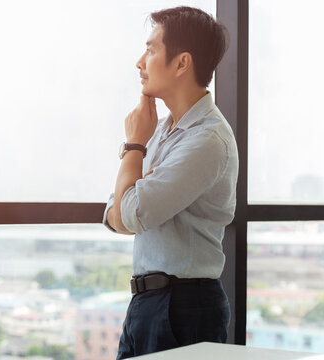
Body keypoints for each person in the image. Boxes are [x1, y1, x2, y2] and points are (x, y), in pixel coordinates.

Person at [103, 6, 239, 359]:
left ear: (181, 63)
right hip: (150, 305)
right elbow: (115, 214)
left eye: (150, 50)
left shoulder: (206, 139)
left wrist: (134, 145)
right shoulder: (164, 131)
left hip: (183, 308)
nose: (139, 62)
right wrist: (131, 202)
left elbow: (131, 214)